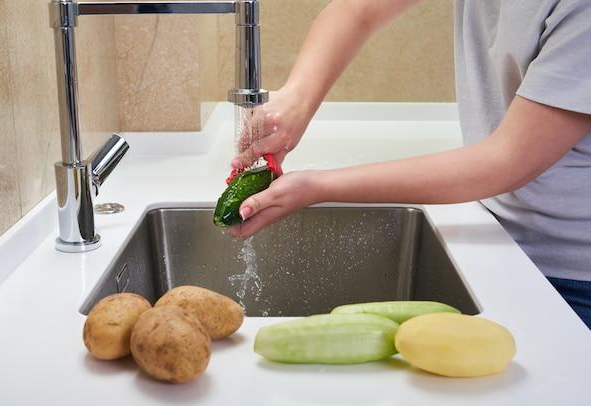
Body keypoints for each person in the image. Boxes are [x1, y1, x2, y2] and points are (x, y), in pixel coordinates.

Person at [227, 0, 591, 328]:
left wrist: (316, 187)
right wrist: (295, 103)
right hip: (498, 237)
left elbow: (509, 160)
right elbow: (358, 10)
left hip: (570, 276)